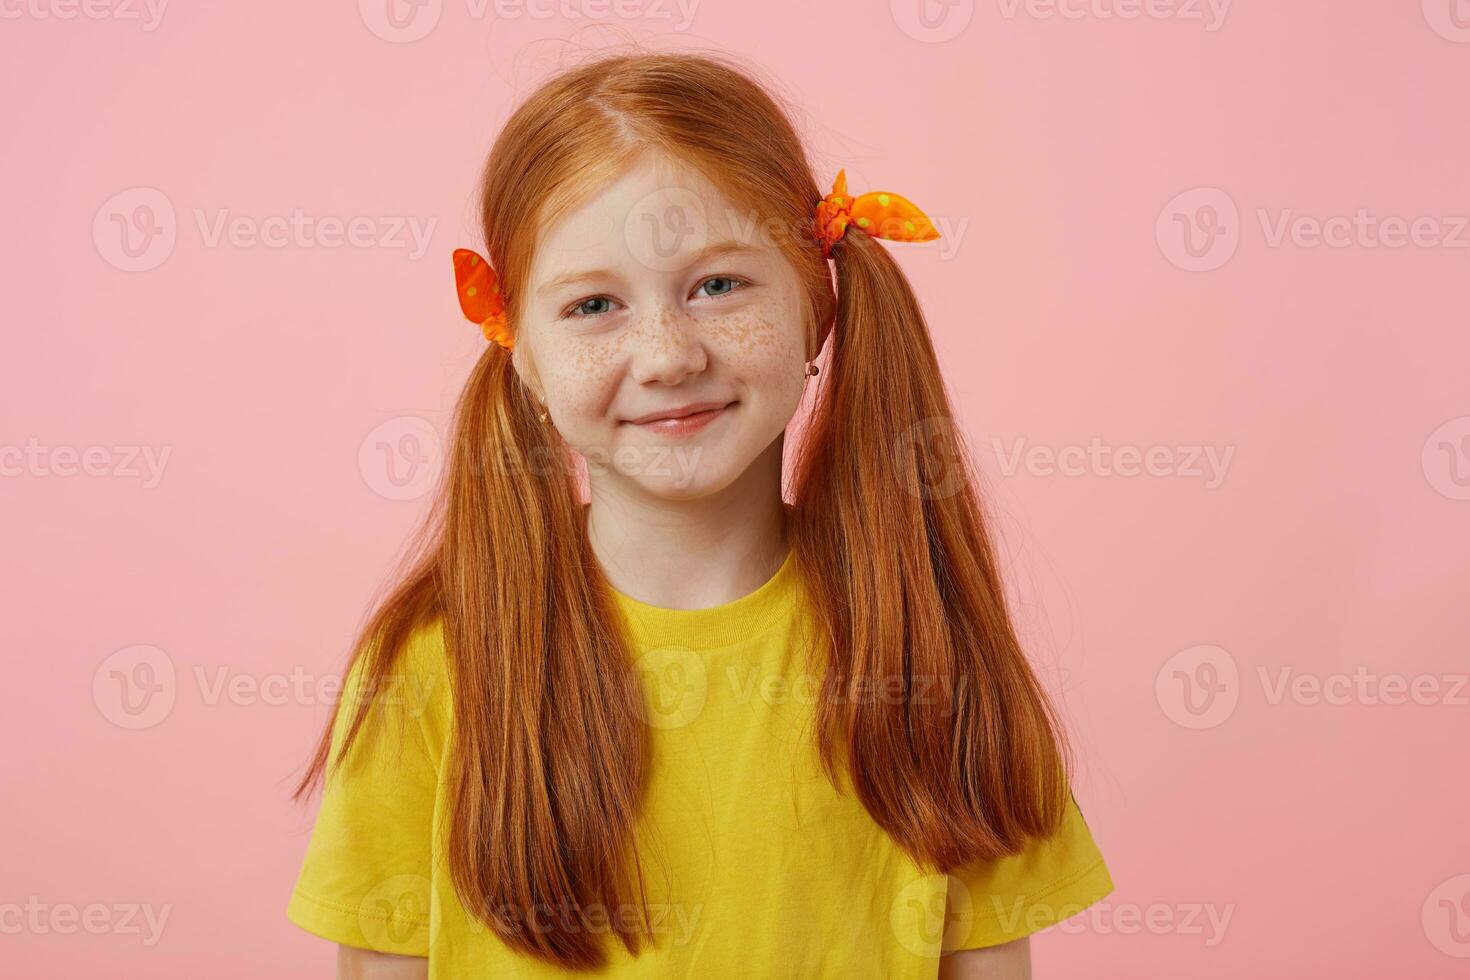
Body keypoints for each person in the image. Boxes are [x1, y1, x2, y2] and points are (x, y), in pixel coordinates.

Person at [286, 48, 1113, 980]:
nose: (668, 355)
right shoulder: (431, 668)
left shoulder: (928, 646)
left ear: (814, 300)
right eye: (594, 304)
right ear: (520, 351)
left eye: (718, 285)